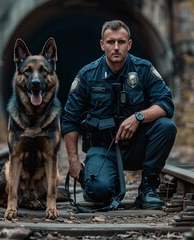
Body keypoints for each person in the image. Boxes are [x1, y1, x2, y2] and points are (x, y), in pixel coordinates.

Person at [62, 20, 176, 210]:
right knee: (98, 192)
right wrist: (74, 162)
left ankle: (147, 188)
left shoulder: (143, 69)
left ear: (129, 44)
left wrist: (138, 117)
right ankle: (103, 182)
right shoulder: (88, 75)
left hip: (135, 147)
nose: (116, 47)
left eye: (121, 42)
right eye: (111, 42)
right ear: (102, 45)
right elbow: (69, 120)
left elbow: (166, 104)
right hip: (102, 148)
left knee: (166, 126)